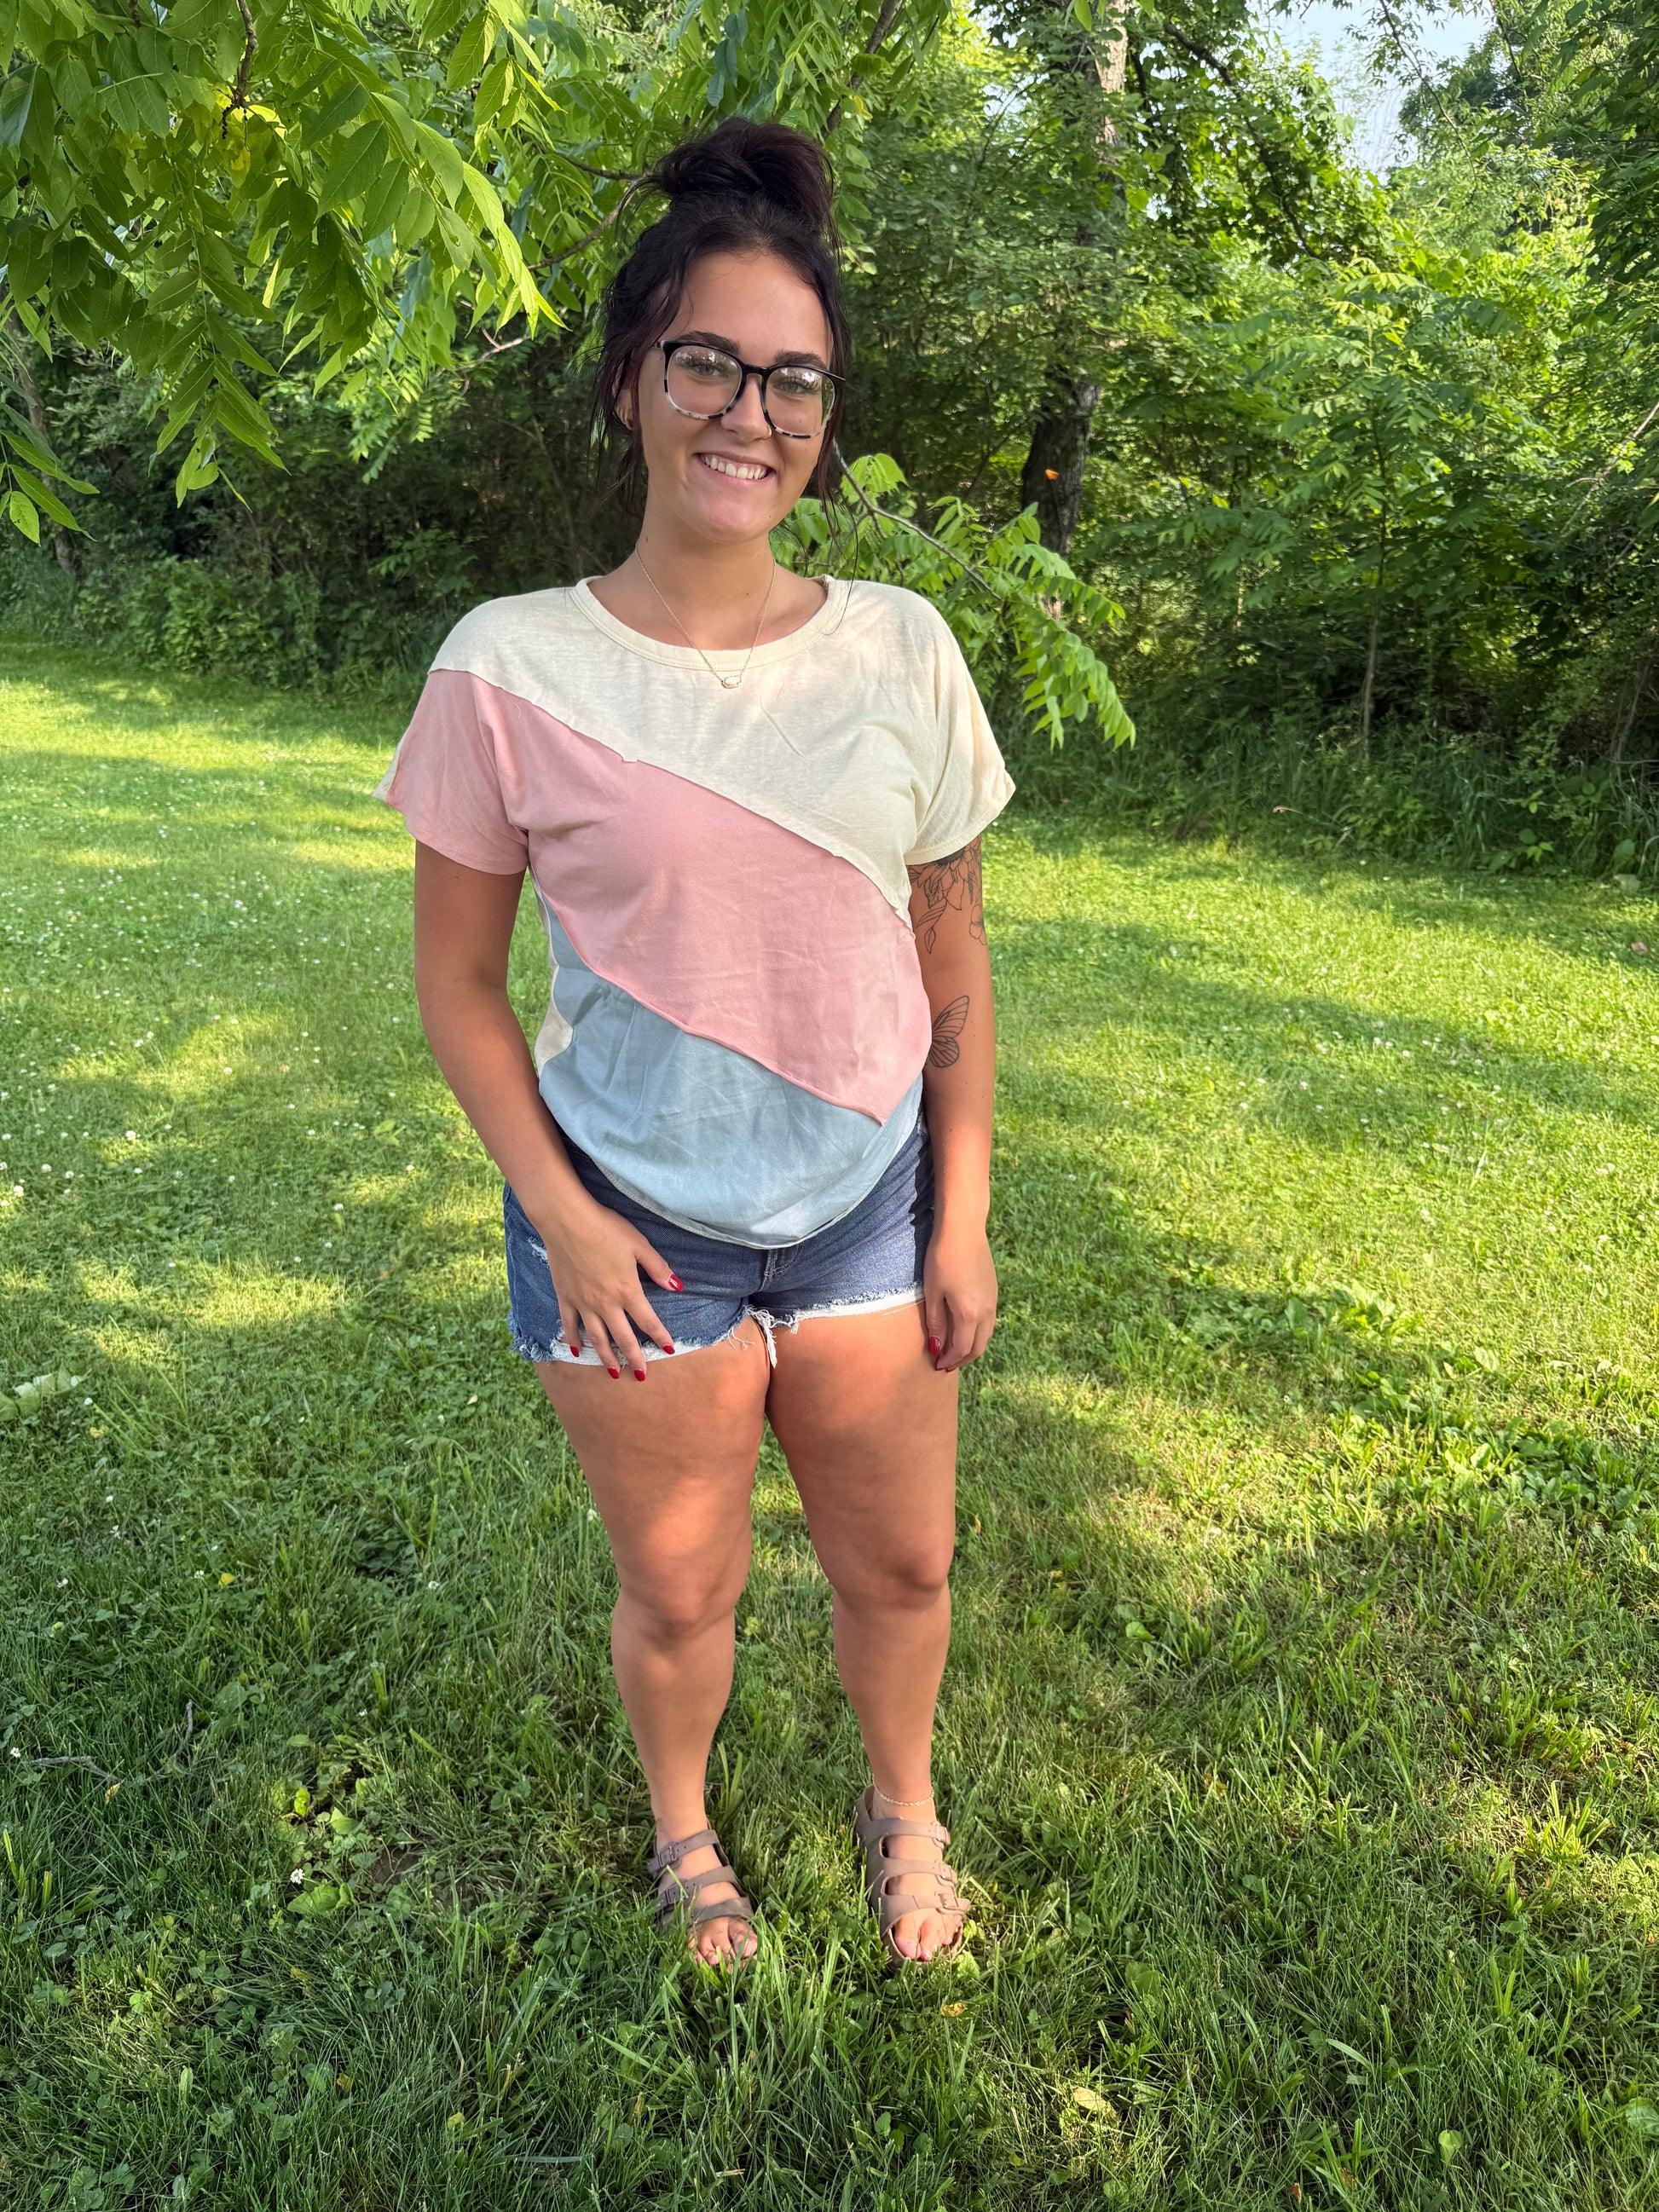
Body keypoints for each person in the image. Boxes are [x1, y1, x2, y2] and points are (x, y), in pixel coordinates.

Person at [377, 115, 1012, 1967]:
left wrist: (962, 1208)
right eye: (707, 364)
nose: (752, 412)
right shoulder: (508, 667)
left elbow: (954, 959)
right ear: (629, 383)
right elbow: (456, 984)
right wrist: (564, 1219)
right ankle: (684, 1833)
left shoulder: (901, 648)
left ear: (826, 413)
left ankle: (905, 1812)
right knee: (680, 1585)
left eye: (792, 379)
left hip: (867, 1207)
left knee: (905, 1561)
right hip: (629, 1222)